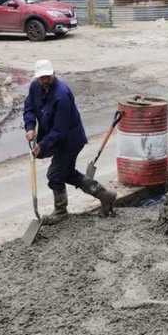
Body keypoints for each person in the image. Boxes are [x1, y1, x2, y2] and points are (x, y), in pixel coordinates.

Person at [24, 59, 116, 224]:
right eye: (41, 77)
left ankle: (61, 211)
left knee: (54, 175)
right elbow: (29, 107)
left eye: (47, 76)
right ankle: (104, 195)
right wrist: (30, 127)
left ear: (53, 73)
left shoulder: (62, 95)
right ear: (37, 77)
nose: (44, 80)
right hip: (56, 139)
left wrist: (43, 145)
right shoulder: (34, 87)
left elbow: (60, 129)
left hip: (70, 140)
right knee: (65, 173)